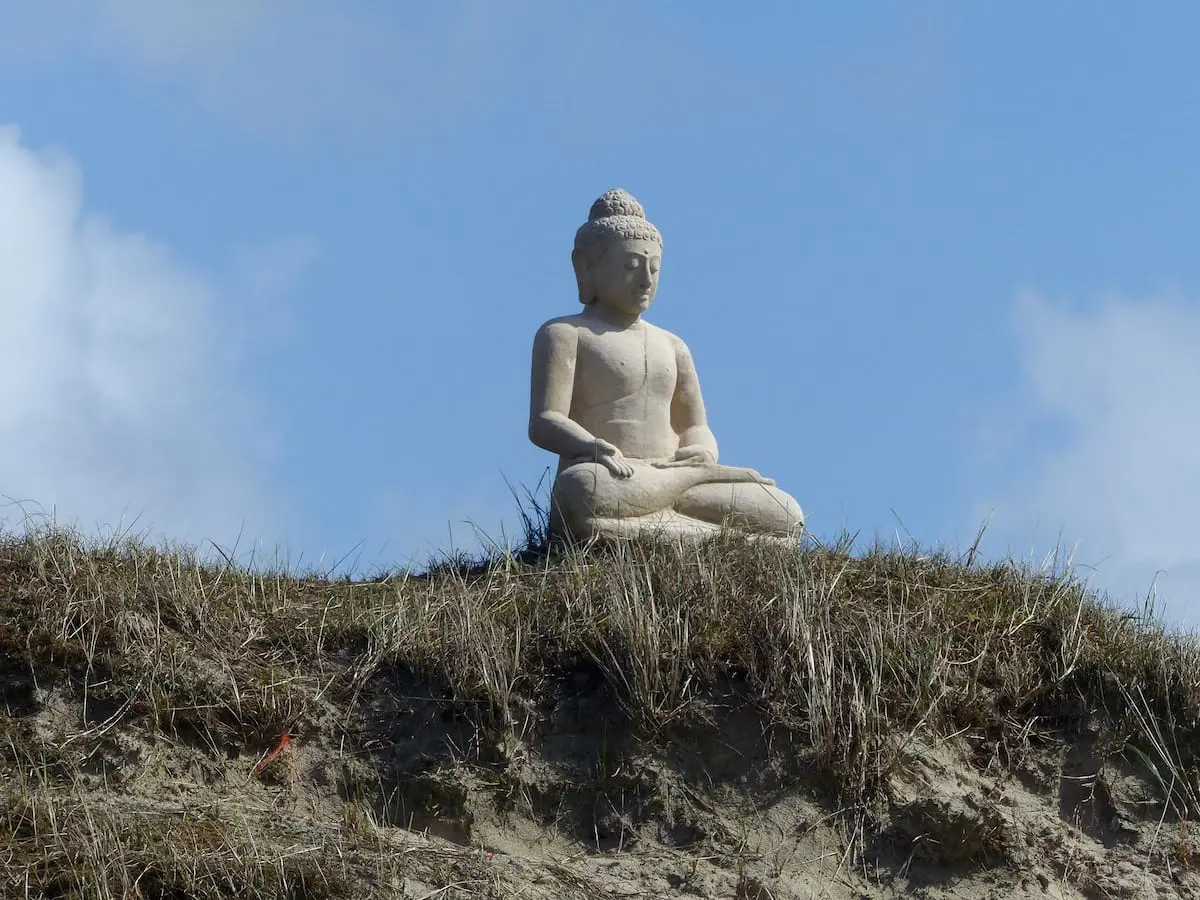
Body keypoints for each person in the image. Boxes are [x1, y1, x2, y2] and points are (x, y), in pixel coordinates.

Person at [528, 188, 804, 542]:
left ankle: (646, 527)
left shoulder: (673, 346)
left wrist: (701, 451)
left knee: (785, 512)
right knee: (582, 489)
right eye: (631, 267)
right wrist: (592, 445)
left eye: (654, 269)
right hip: (615, 476)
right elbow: (545, 421)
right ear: (586, 266)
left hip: (673, 476)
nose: (645, 280)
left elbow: (695, 425)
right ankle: (731, 539)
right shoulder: (565, 334)